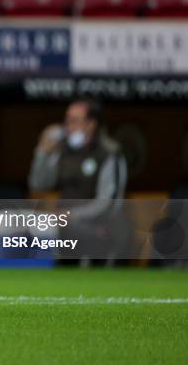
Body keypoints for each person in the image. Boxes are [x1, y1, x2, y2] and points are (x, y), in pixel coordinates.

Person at [28, 100, 128, 259]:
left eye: (74, 121)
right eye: (66, 120)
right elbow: (38, 184)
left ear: (90, 124)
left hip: (101, 227)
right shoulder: (62, 149)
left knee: (63, 229)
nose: (67, 126)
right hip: (65, 222)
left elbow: (107, 203)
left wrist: (71, 215)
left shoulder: (109, 153)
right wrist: (42, 152)